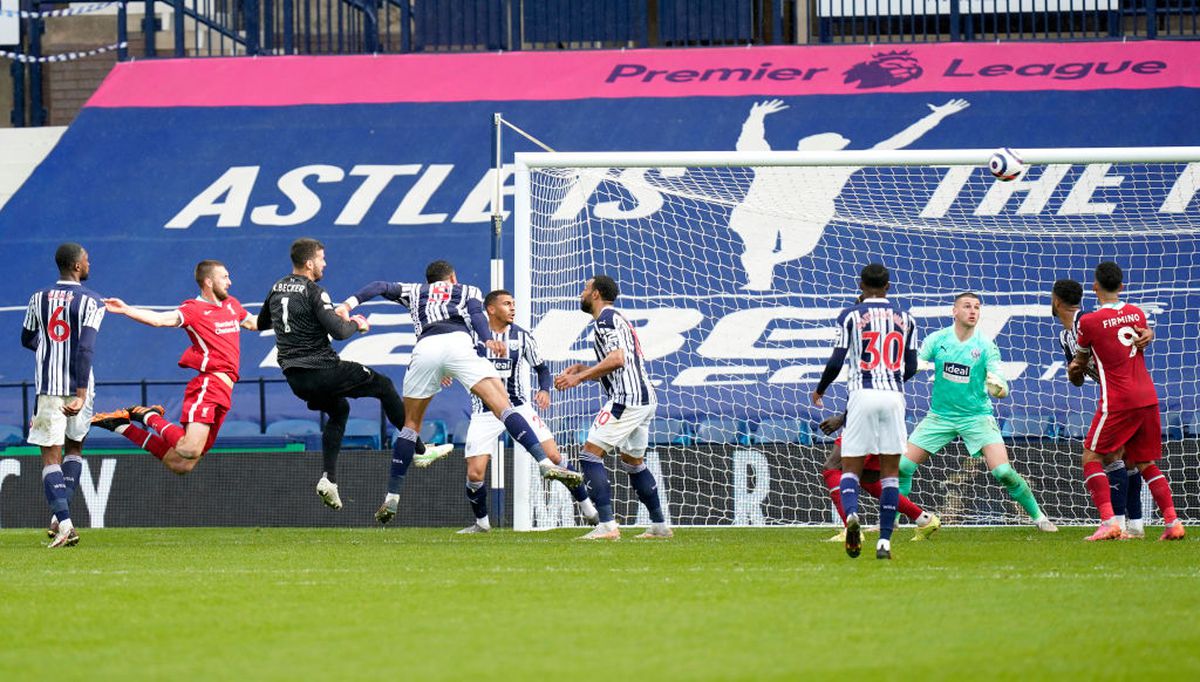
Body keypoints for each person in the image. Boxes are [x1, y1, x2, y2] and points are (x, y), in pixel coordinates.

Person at [336, 259, 581, 525]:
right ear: (452, 277)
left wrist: (348, 305)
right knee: (503, 405)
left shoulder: (415, 291)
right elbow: (477, 315)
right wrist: (487, 338)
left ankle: (392, 495)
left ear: (430, 280)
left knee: (410, 425)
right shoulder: (467, 290)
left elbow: (378, 286)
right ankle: (544, 462)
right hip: (459, 344)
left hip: (426, 348)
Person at [257, 238, 450, 511]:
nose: (325, 263)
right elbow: (338, 332)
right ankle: (419, 451)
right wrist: (356, 324)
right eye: (322, 258)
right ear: (310, 263)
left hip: (296, 380)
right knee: (382, 385)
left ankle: (329, 480)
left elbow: (263, 322)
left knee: (339, 410)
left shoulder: (276, 288)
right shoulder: (314, 291)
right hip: (322, 370)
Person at [729, 98, 969, 291]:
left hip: (805, 214)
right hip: (764, 209)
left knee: (793, 250)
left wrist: (755, 117)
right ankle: (759, 282)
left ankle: (764, 267)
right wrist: (755, 117)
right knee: (759, 244)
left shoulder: (839, 164)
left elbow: (893, 144)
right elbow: (750, 145)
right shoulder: (781, 163)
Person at [436, 289, 597, 533]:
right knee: (475, 473)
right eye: (507, 304)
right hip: (484, 412)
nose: (513, 308)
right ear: (491, 309)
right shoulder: (471, 337)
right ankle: (481, 523)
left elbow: (541, 368)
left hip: (518, 407)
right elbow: (451, 359)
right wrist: (443, 372)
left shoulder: (522, 337)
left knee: (554, 457)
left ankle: (588, 508)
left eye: (513, 303)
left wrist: (545, 390)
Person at [900, 292, 1057, 534]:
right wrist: (915, 366)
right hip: (940, 417)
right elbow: (916, 362)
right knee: (902, 467)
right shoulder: (937, 339)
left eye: (976, 307)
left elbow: (1000, 382)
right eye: (967, 306)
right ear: (954, 311)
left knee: (1003, 472)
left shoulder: (985, 346)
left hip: (977, 417)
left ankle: (1039, 517)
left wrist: (999, 388)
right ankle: (892, 520)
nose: (973, 311)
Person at [92, 260, 257, 476]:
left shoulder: (231, 304)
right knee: (188, 449)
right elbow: (160, 320)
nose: (230, 282)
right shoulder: (194, 310)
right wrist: (126, 310)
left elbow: (253, 323)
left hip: (226, 391)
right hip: (209, 386)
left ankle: (120, 425)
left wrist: (288, 316)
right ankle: (148, 416)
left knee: (182, 464)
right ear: (208, 281)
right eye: (224, 277)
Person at [1068, 262, 1185, 541]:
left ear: (1094, 287)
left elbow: (1080, 361)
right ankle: (1173, 522)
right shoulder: (1136, 313)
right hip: (1147, 396)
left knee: (1091, 456)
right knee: (1144, 462)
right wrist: (1150, 333)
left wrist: (1074, 368)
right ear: (1121, 287)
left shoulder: (1088, 322)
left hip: (1118, 400)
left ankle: (1109, 522)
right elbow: (1143, 336)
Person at [811, 263, 918, 559]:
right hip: (893, 396)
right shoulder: (906, 319)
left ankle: (853, 515)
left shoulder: (850, 316)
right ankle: (885, 542)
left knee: (849, 468)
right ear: (888, 286)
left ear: (861, 285)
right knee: (890, 475)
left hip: (861, 394)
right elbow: (912, 366)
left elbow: (836, 361)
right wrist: (893, 379)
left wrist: (820, 390)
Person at [554, 275, 671, 540]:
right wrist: (585, 369)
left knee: (589, 456)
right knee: (633, 462)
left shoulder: (605, 320)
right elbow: (619, 362)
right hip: (643, 398)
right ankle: (659, 526)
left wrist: (579, 377)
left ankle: (606, 525)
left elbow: (617, 359)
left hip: (626, 399)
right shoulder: (617, 319)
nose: (582, 293)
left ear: (595, 294)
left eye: (585, 288)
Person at [1052, 278, 1152, 538]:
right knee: (1124, 458)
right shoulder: (1066, 337)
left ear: (1055, 301)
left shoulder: (1087, 321)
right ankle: (1135, 526)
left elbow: (1130, 332)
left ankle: (1117, 524)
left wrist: (1148, 332)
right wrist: (1073, 371)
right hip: (1114, 394)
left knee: (1107, 456)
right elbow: (1078, 379)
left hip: (1124, 393)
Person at [22, 242, 104, 548]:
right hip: (82, 386)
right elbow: (85, 348)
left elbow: (27, 338)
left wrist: (50, 351)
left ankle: (62, 520)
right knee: (74, 450)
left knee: (50, 456)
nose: (89, 264)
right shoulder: (93, 301)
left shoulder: (37, 298)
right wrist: (81, 392)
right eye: (87, 260)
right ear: (77, 266)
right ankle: (64, 521)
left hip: (49, 386)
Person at [818, 413, 939, 543]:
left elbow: (863, 395)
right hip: (889, 422)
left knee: (832, 467)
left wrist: (841, 419)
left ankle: (852, 531)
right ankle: (924, 519)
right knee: (869, 479)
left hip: (865, 419)